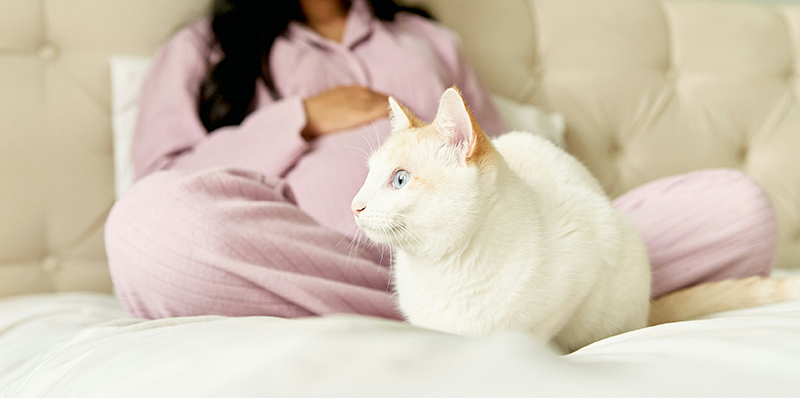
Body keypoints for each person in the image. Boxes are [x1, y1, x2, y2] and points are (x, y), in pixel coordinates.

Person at [105, 0, 777, 320]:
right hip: (321, 263)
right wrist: (302, 117)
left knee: (738, 210)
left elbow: (505, 163)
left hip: (490, 259)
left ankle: (488, 304)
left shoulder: (427, 40)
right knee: (148, 229)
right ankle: (436, 312)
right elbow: (165, 178)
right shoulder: (204, 49)